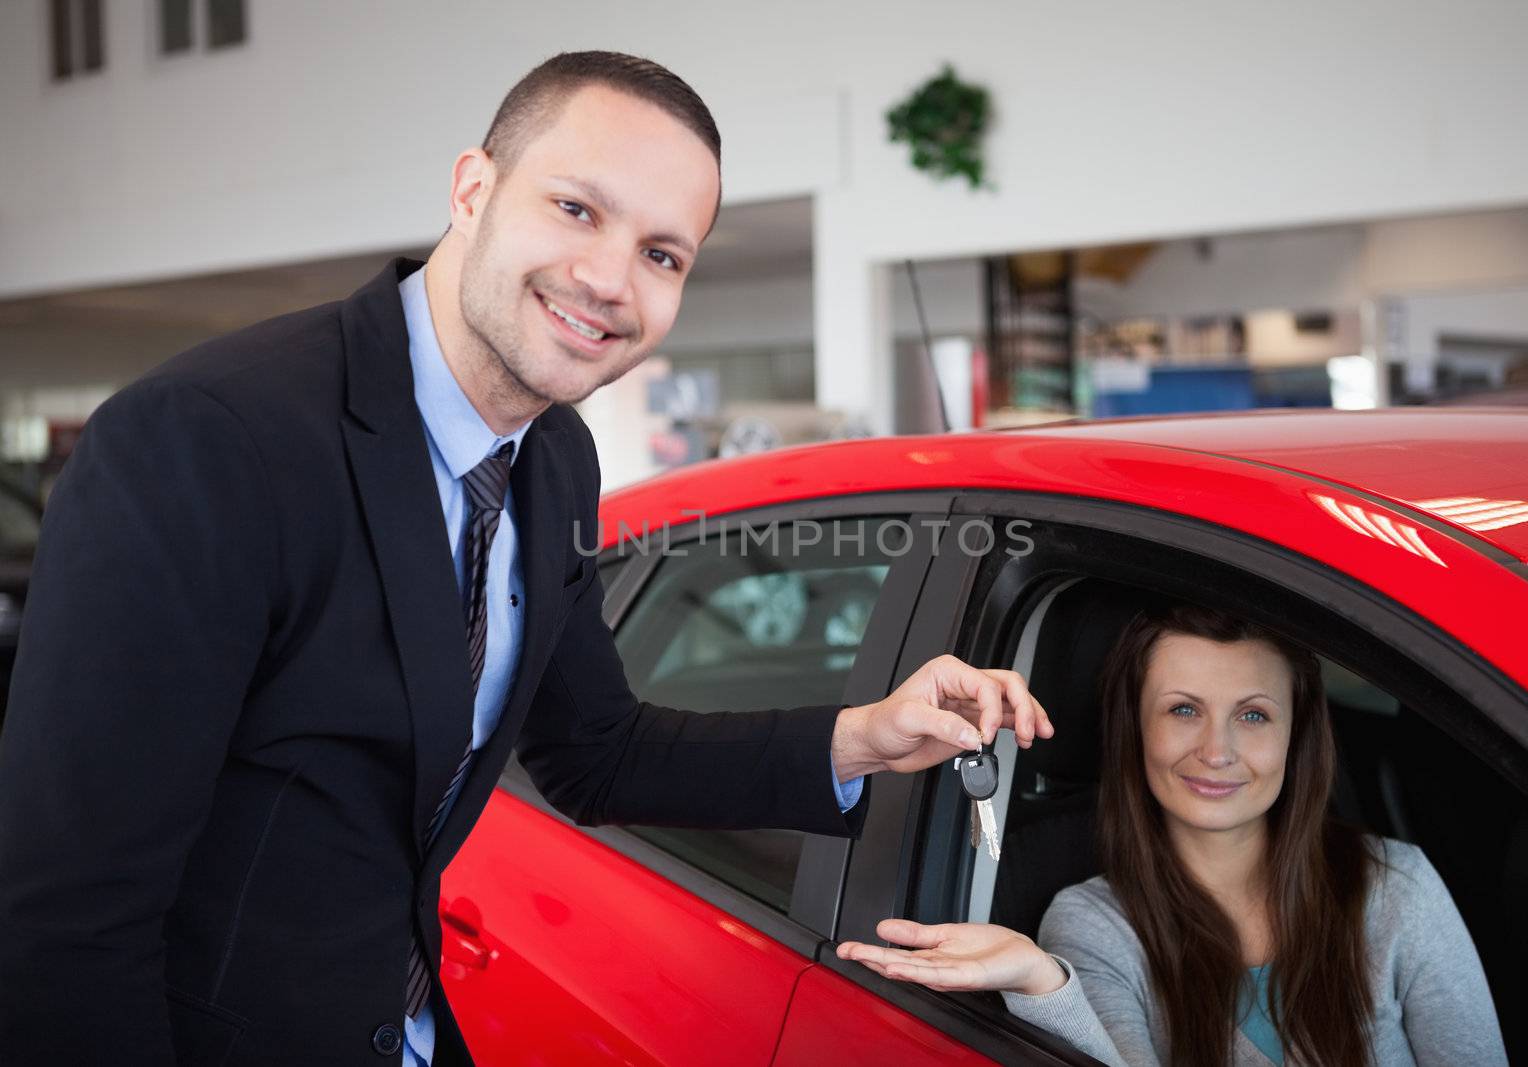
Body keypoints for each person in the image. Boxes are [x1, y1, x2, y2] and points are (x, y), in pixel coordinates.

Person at [0, 52, 1052, 1066]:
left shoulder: (551, 456)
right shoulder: (208, 437)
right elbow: (65, 906)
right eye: (575, 207)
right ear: (473, 188)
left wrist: (863, 734)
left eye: (662, 253)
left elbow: (596, 751)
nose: (607, 278)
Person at [840, 603, 1507, 1067]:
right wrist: (1042, 981)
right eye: (1184, 709)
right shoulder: (1094, 924)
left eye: (1253, 713)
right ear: (1136, 730)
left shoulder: (1396, 886)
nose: (1217, 749)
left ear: (1297, 737)